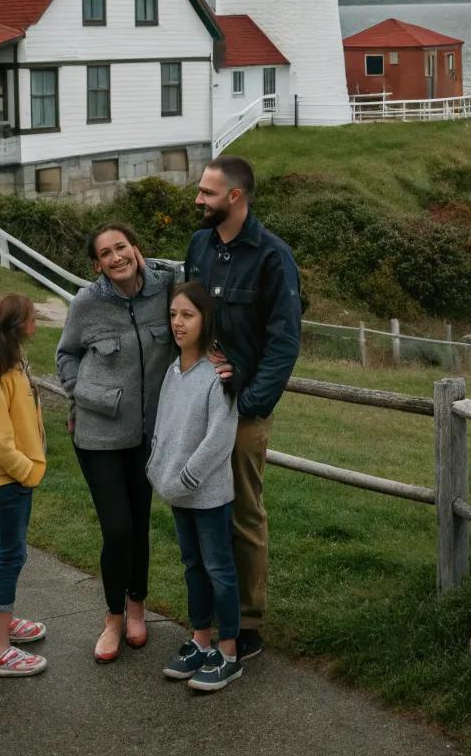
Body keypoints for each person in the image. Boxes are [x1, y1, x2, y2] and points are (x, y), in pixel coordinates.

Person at [185, 154, 301, 661]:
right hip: (200, 403)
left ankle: (248, 623)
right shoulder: (198, 246)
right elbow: (189, 316)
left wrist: (250, 404)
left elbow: (284, 341)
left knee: (242, 514)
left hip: (244, 410)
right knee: (200, 510)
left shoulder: (274, 257)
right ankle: (209, 618)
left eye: (207, 193)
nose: (198, 199)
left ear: (235, 197)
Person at [56, 222, 174, 663]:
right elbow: (66, 355)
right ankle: (113, 617)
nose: (116, 257)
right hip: (98, 435)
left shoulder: (164, 289)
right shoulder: (87, 303)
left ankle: (138, 607)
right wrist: (85, 395)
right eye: (105, 253)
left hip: (147, 434)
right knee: (118, 529)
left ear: (136, 249)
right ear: (97, 265)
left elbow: (197, 276)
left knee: (139, 525)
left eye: (121, 247)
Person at [147, 280, 242, 693]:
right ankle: (201, 641)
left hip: (207, 494)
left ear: (205, 320)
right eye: (173, 315)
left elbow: (220, 437)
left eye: (188, 315)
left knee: (219, 569)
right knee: (192, 566)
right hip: (176, 490)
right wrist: (157, 466)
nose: (178, 323)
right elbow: (165, 426)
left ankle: (229, 653)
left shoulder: (217, 375)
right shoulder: (173, 372)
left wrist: (188, 476)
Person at [0, 292, 48, 678]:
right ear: (17, 326)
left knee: (13, 552)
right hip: (9, 481)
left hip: (14, 480)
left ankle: (7, 621)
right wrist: (27, 471)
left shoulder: (12, 364)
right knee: (10, 556)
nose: (36, 322)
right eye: (32, 317)